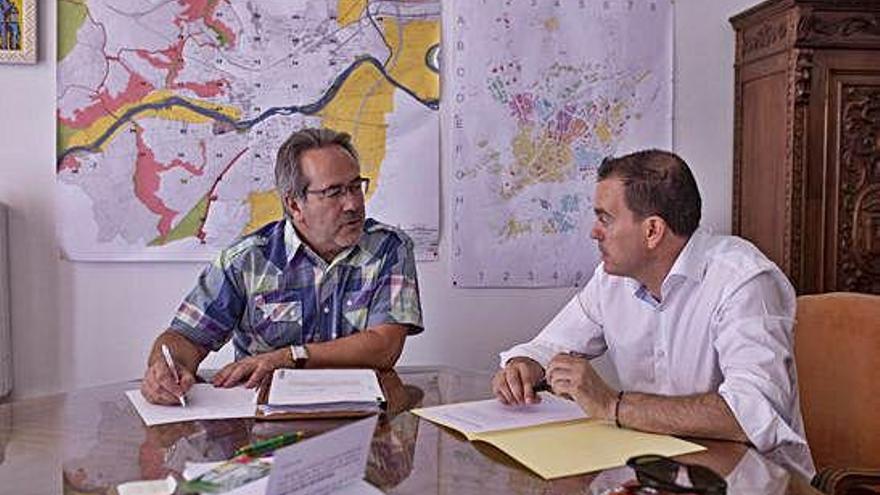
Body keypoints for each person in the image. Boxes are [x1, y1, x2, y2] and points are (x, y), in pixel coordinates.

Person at [491, 149, 814, 477]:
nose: (594, 232)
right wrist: (524, 366)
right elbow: (548, 346)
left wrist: (612, 405)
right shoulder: (611, 281)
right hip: (659, 473)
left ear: (652, 231)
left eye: (605, 219)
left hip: (755, 481)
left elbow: (750, 414)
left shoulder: (744, 281)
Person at [142, 128, 423, 405]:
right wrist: (166, 370)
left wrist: (291, 356)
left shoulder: (389, 248)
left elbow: (384, 347)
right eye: (334, 192)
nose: (352, 203)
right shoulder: (247, 260)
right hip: (266, 425)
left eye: (355, 186)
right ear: (294, 204)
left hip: (364, 416)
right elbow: (185, 337)